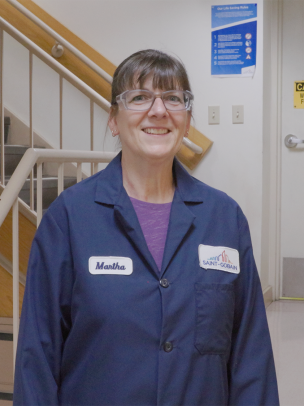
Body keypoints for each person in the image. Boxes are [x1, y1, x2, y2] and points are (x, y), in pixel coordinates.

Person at [13, 49, 279, 406]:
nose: (158, 110)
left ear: (187, 120)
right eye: (139, 98)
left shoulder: (224, 218)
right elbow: (37, 356)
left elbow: (251, 355)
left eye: (173, 98)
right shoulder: (69, 218)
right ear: (113, 119)